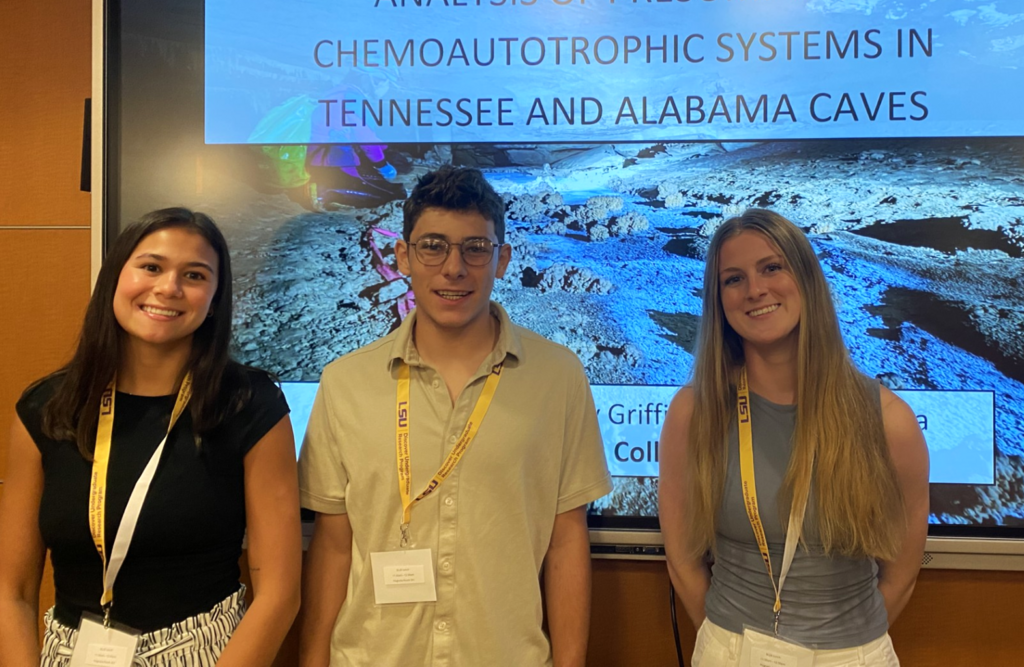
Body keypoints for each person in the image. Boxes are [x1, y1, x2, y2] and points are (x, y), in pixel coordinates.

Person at [298, 165, 612, 667]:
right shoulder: (345, 383)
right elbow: (333, 547)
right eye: (433, 246)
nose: (453, 268)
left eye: (475, 248)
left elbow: (566, 540)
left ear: (501, 259)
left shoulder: (558, 377)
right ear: (403, 256)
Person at [0, 208, 302, 667]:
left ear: (215, 298)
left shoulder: (249, 406)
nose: (168, 288)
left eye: (195, 275)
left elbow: (278, 593)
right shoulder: (47, 409)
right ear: (116, 278)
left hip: (205, 652)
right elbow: (12, 590)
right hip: (72, 653)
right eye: (151, 267)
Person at [658, 208, 929, 666]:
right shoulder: (694, 413)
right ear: (718, 299)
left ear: (806, 279)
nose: (755, 290)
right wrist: (725, 644)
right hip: (732, 647)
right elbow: (683, 560)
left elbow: (902, 572)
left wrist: (845, 645)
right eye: (733, 279)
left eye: (772, 267)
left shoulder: (888, 421)